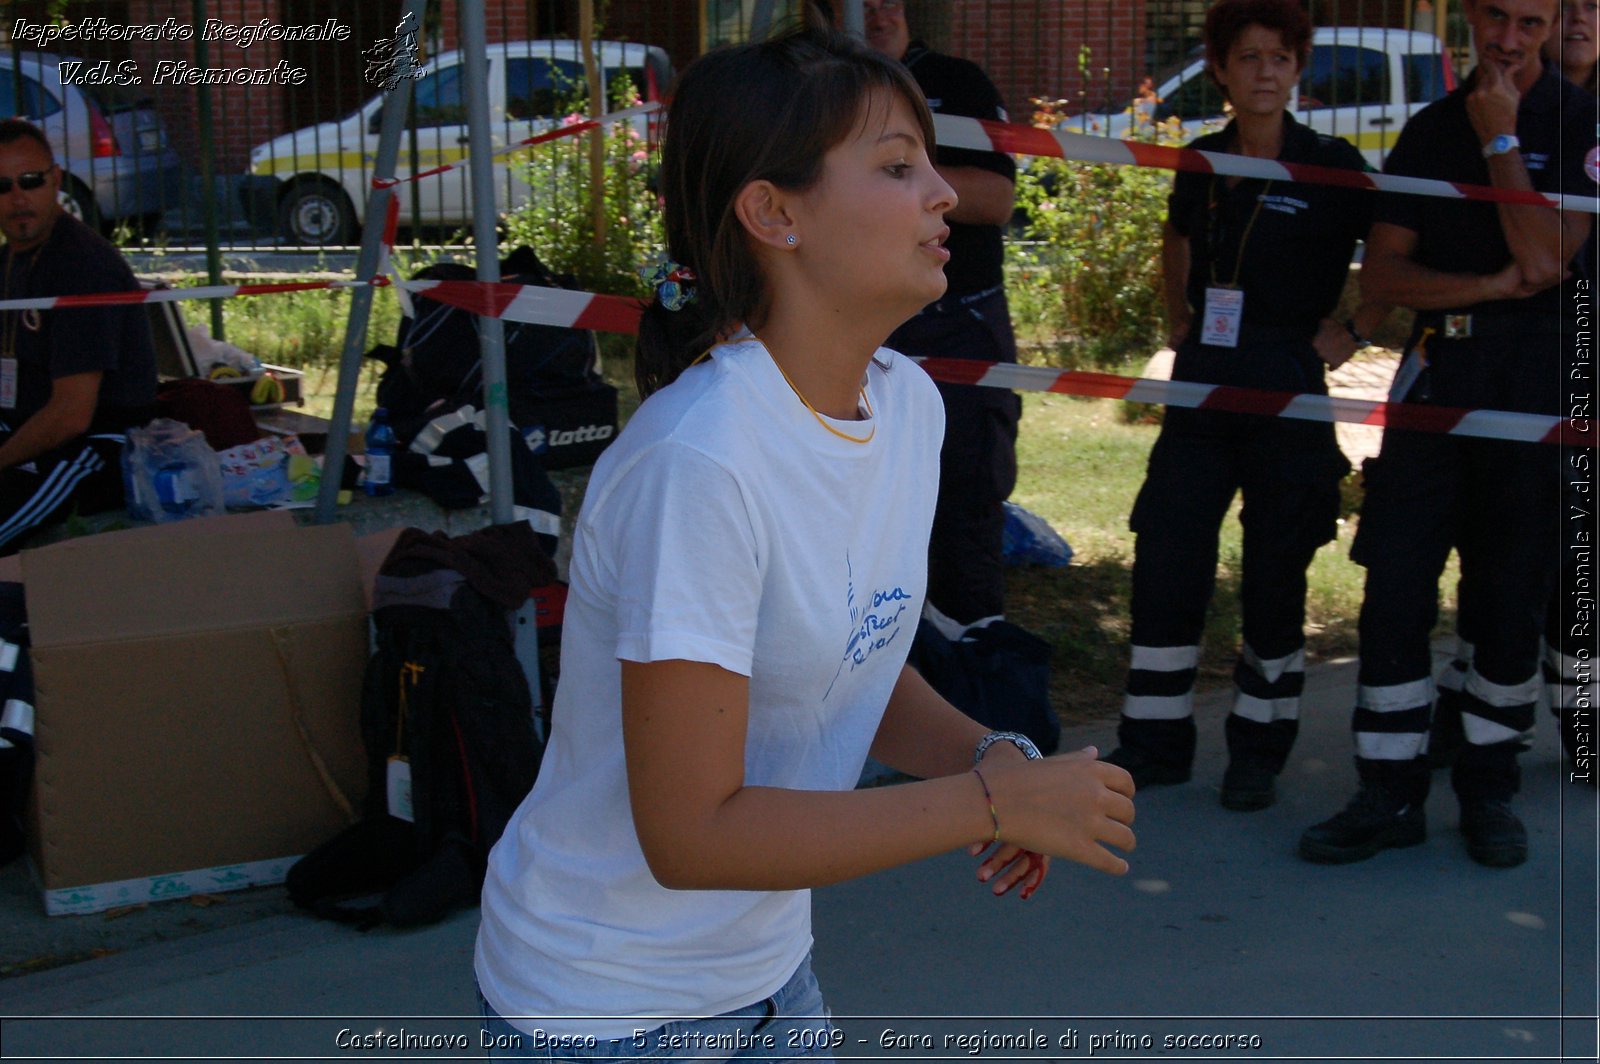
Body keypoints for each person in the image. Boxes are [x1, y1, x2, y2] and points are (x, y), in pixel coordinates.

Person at [472, 25, 1136, 1061]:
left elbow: (848, 666)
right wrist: (987, 797)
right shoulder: (698, 464)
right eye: (895, 165)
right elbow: (690, 832)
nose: (944, 193)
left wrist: (988, 755)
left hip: (769, 981)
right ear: (773, 213)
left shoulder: (907, 406)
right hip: (602, 1012)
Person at [1300, 0, 1596, 868]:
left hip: (1535, 384)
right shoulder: (1430, 128)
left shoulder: (1581, 123)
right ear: (1471, 16)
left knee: (1508, 596)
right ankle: (1386, 791)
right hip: (1438, 375)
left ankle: (1487, 792)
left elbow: (1550, 260)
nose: (1508, 40)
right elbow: (1384, 279)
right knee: (1394, 582)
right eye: (1496, 18)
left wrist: (1503, 140)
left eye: (1531, 24)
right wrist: (1487, 286)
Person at [1101, 0, 1388, 811]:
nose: (1264, 73)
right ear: (1221, 70)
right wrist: (1178, 321)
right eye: (1247, 58)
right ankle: (1153, 740)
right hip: (1205, 379)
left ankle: (1259, 751)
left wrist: (1355, 330)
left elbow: (1398, 250)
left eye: (1279, 58)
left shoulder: (1331, 165)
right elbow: (1177, 239)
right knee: (1167, 550)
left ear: (1298, 69)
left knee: (1275, 572)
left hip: (1289, 376)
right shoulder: (1202, 161)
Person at [856, 0, 1023, 630]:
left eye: (888, 0)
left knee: (965, 509)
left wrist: (889, 176)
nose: (877, 12)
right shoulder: (816, 90)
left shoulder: (960, 80)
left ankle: (977, 669)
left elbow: (995, 197)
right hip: (864, 325)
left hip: (963, 323)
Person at [0, 118, 156, 554]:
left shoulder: (82, 264)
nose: (18, 199)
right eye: (2, 186)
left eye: (30, 181)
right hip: (24, 430)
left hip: (94, 448)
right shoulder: (9, 261)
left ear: (56, 180)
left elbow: (71, 415)